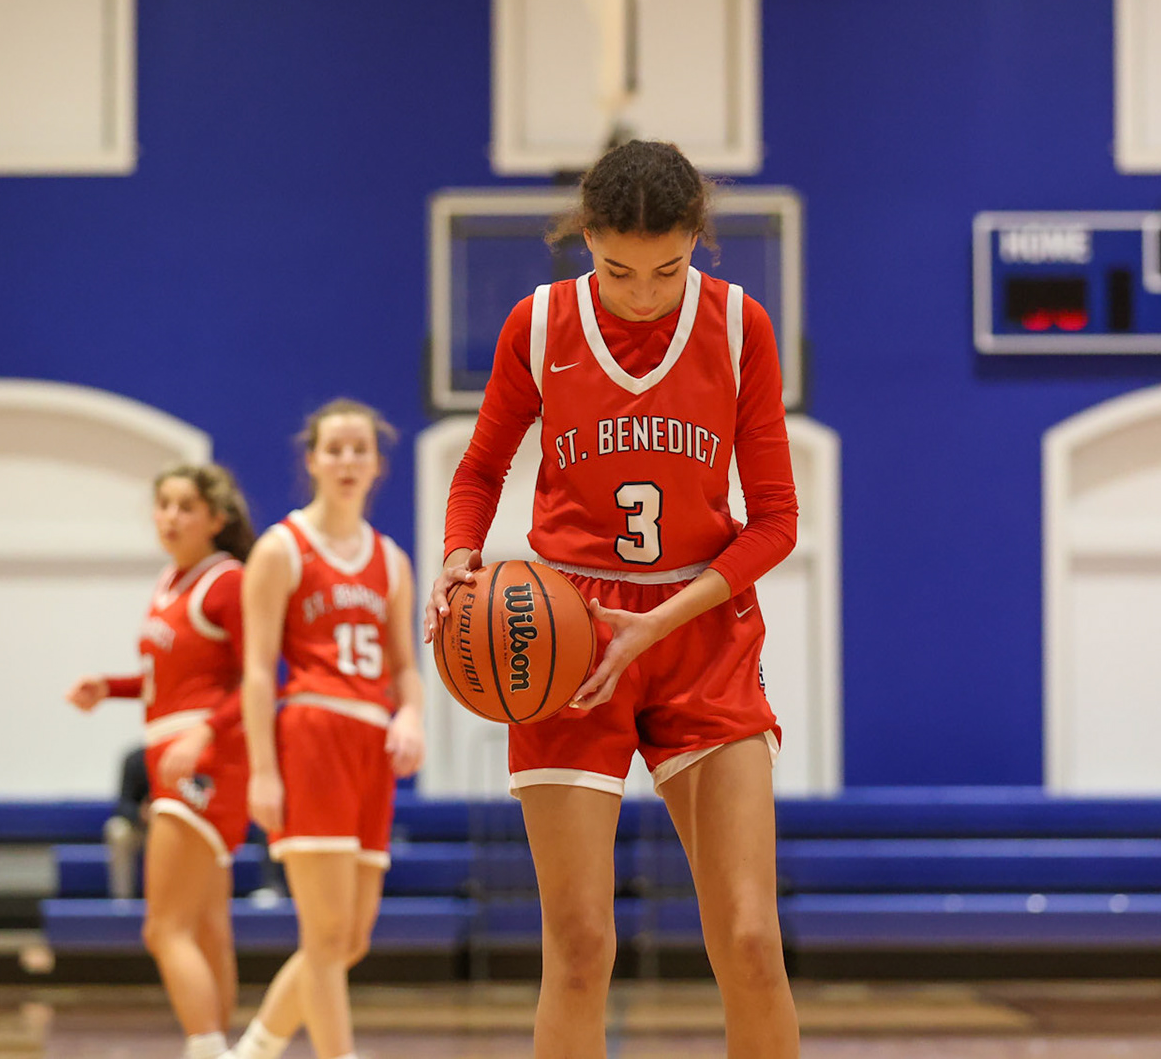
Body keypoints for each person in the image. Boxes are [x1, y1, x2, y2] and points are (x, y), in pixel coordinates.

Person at [426, 139, 801, 1058]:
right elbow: (479, 469)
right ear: (585, 241)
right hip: (569, 640)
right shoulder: (541, 326)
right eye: (617, 269)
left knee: (751, 942)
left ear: (698, 244)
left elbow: (776, 522)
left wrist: (664, 619)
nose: (642, 292)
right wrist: (457, 558)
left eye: (667, 268)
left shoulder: (742, 327)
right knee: (582, 946)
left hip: (699, 632)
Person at [232, 400, 425, 1059]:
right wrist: (261, 768)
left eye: (359, 449)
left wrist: (413, 715)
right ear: (311, 460)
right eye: (334, 449)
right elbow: (256, 670)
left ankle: (254, 1049)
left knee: (350, 941)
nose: (347, 461)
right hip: (311, 733)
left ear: (377, 464)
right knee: (324, 934)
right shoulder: (281, 548)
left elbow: (405, 666)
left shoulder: (392, 561)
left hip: (371, 745)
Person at [67, 463, 256, 1059]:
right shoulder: (169, 581)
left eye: (186, 507)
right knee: (205, 926)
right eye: (163, 504)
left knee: (162, 927)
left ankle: (205, 1049)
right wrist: (112, 687)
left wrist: (205, 731)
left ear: (215, 519)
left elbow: (257, 680)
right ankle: (218, 1045)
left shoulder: (225, 581)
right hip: (175, 754)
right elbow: (169, 680)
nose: (171, 517)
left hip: (205, 761)